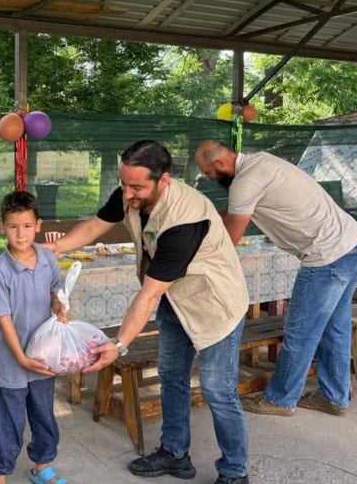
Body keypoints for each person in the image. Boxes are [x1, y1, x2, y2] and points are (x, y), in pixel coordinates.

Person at [42, 140, 250, 484]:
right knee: (171, 377)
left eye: (137, 187)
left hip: (215, 305)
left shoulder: (185, 221)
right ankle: (175, 453)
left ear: (163, 179)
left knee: (217, 389)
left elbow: (149, 295)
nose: (128, 193)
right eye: (124, 184)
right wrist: (56, 247)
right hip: (175, 299)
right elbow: (96, 225)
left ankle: (234, 471)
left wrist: (119, 344)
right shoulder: (131, 192)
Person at [195, 140, 357, 417]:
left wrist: (195, 253)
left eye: (208, 172)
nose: (208, 178)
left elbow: (230, 240)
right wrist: (208, 223)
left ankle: (280, 400)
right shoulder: (261, 161)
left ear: (220, 164)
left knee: (300, 332)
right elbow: (231, 212)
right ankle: (334, 397)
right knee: (334, 327)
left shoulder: (245, 182)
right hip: (353, 244)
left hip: (326, 257)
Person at [0, 190, 70, 484]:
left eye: (27, 226)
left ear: (38, 225)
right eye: (13, 226)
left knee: (44, 415)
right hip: (12, 363)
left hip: (43, 356)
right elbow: (3, 318)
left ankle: (41, 467)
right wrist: (21, 358)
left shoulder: (47, 259)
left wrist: (58, 305)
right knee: (10, 422)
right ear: (2, 227)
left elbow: (56, 290)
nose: (20, 234)